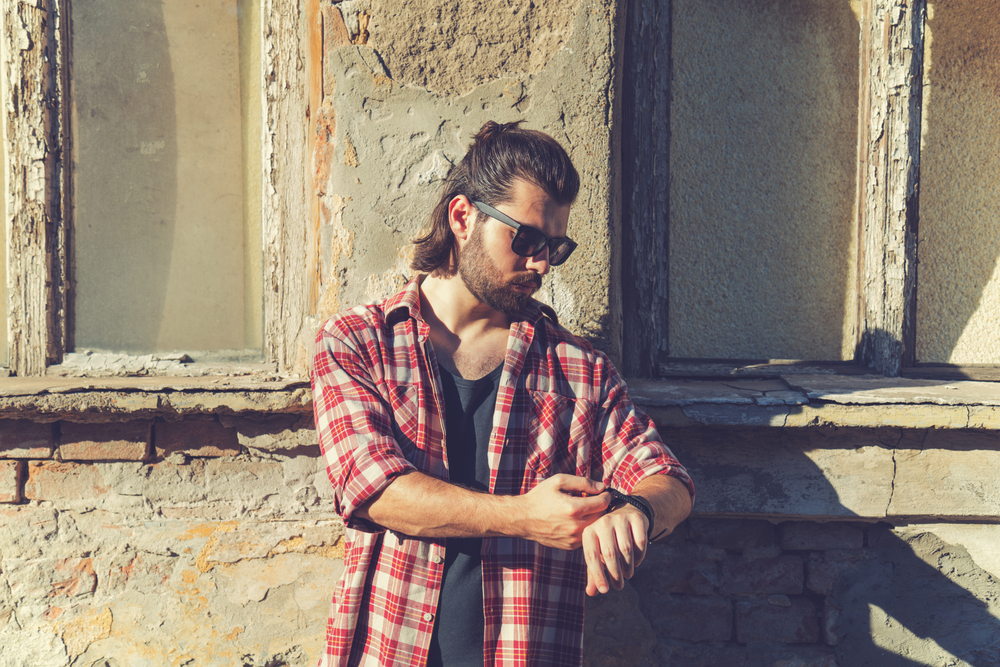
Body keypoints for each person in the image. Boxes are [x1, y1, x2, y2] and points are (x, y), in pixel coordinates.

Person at [311, 120, 694, 667]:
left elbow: (671, 481)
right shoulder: (358, 342)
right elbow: (375, 491)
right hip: (390, 651)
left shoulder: (579, 370)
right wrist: (524, 517)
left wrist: (634, 510)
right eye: (527, 239)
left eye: (554, 248)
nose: (540, 264)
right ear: (464, 217)